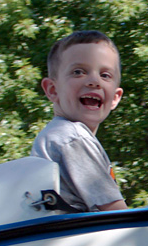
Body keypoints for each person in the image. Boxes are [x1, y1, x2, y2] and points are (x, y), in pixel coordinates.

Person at [31, 30, 128, 212]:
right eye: (78, 72)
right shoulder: (72, 137)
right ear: (52, 90)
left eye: (105, 75)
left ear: (115, 97)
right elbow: (120, 218)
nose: (94, 81)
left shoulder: (55, 135)